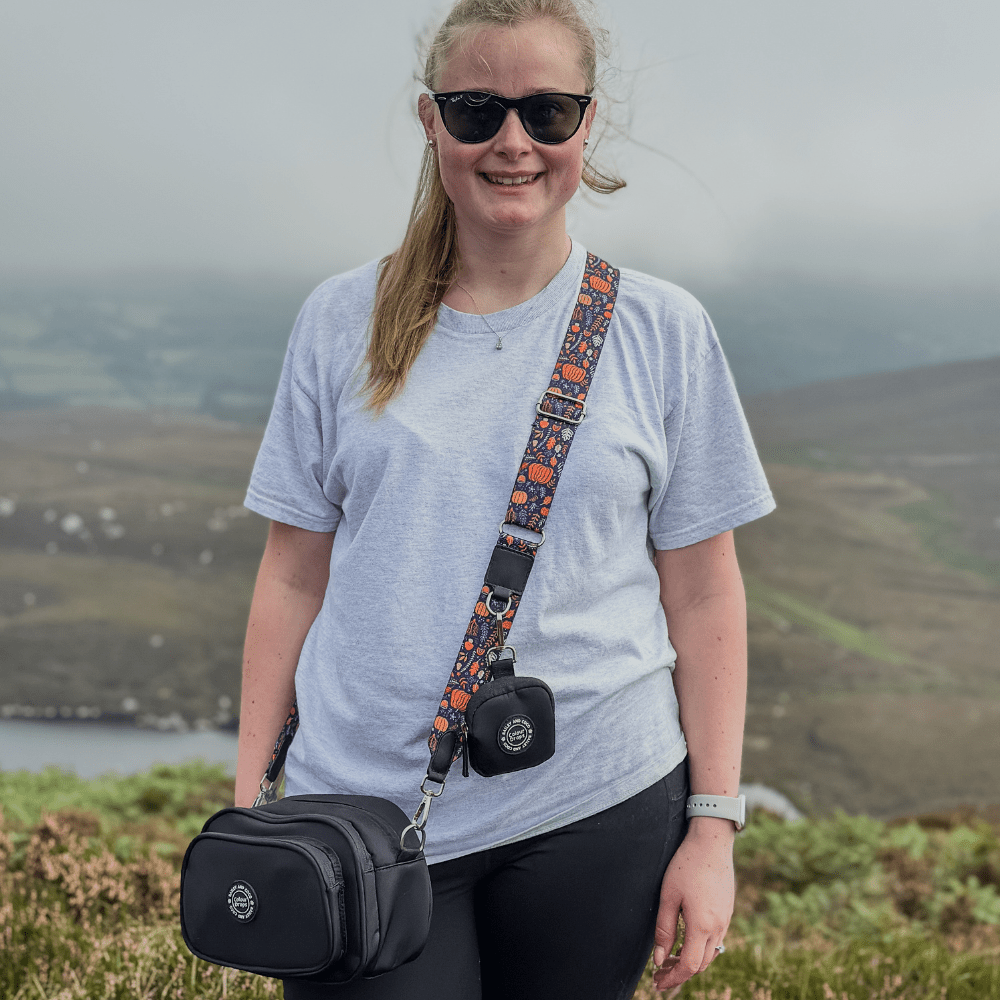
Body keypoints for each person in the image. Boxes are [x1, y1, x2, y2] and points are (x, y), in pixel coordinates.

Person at [235, 1, 775, 997]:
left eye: (547, 111)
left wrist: (712, 825)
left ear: (588, 123)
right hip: (357, 814)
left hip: (600, 806)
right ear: (430, 120)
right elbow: (289, 572)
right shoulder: (338, 321)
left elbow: (703, 595)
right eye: (477, 109)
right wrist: (252, 802)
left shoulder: (663, 331)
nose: (512, 141)